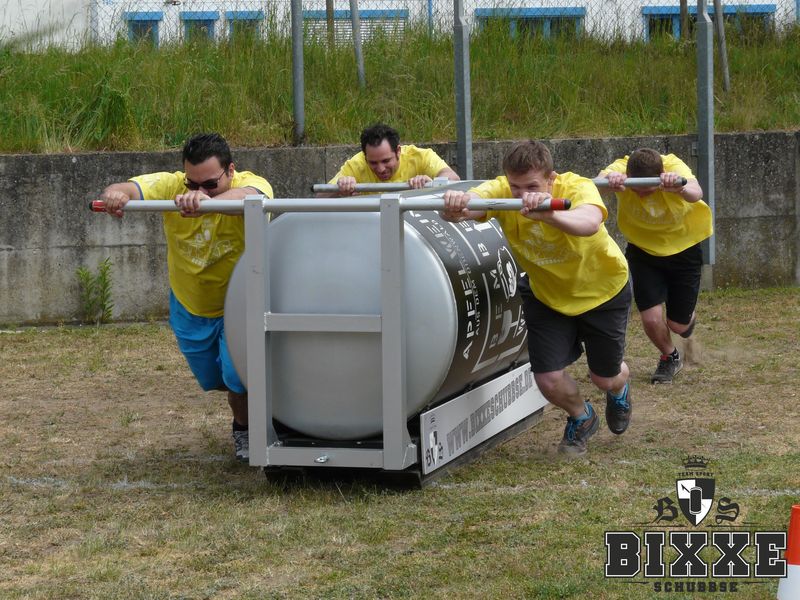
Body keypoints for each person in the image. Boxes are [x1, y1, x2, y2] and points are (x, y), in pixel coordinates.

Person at [440, 140, 632, 456]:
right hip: (547, 296)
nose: (520, 195)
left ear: (550, 179)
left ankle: (620, 388)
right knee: (547, 378)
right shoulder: (502, 190)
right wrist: (455, 206)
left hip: (602, 292)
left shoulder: (576, 186)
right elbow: (472, 204)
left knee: (604, 377)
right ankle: (582, 417)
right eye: (515, 187)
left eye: (531, 186)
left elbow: (589, 223)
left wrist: (549, 215)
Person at [99, 132, 273, 462]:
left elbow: (253, 195)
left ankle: (245, 428)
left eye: (210, 184)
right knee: (215, 380)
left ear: (230, 170)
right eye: (192, 184)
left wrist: (208, 202)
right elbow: (126, 188)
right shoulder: (172, 186)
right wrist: (115, 196)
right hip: (191, 306)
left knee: (238, 377)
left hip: (240, 305)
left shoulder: (250, 183)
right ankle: (251, 410)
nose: (199, 191)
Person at [600, 148, 711, 384]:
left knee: (678, 325)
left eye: (648, 190)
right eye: (636, 189)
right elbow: (595, 187)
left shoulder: (673, 165)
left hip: (684, 249)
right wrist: (610, 181)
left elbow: (696, 192)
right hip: (643, 251)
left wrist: (679, 186)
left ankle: (685, 321)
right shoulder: (621, 167)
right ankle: (670, 356)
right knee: (651, 319)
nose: (641, 195)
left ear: (661, 173)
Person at [319, 122, 460, 197]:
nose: (380, 169)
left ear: (398, 151)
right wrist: (340, 188)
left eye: (386, 161)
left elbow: (454, 179)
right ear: (364, 156)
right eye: (373, 163)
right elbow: (320, 197)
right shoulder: (357, 164)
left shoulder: (420, 156)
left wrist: (432, 182)